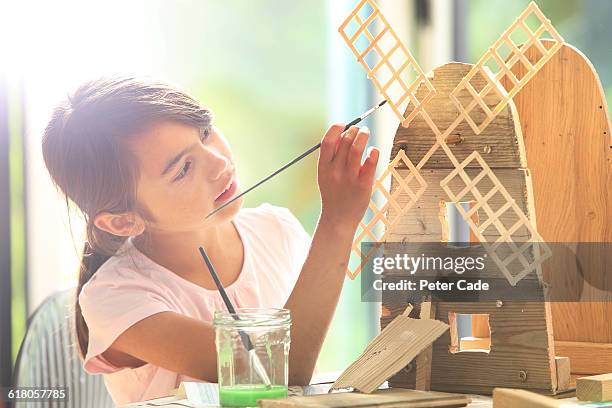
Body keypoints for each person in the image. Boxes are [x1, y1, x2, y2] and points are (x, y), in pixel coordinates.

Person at [41, 76, 379, 405]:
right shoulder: (115, 298)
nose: (219, 163)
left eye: (206, 133)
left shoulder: (276, 230)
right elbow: (278, 378)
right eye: (184, 168)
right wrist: (337, 222)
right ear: (123, 220)